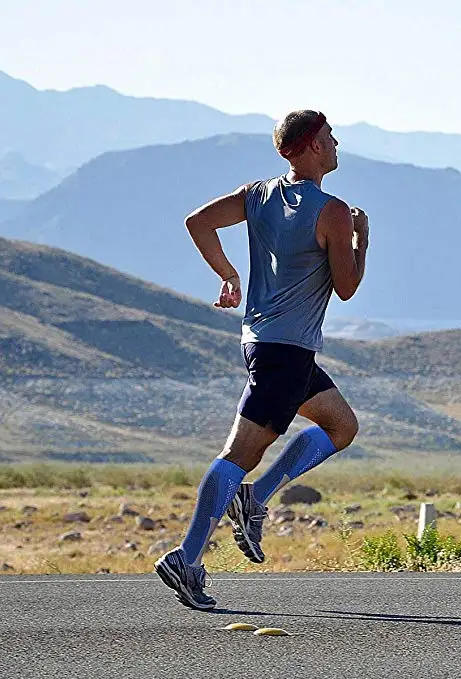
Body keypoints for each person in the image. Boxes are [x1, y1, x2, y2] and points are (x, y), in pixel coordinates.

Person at [154, 110, 369, 610]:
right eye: (332, 139)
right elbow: (347, 287)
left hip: (266, 344)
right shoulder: (333, 212)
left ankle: (256, 497)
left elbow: (198, 221)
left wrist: (228, 274)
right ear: (314, 145)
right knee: (237, 455)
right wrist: (362, 240)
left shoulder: (258, 194)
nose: (337, 146)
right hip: (286, 353)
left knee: (341, 426)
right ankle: (187, 559)